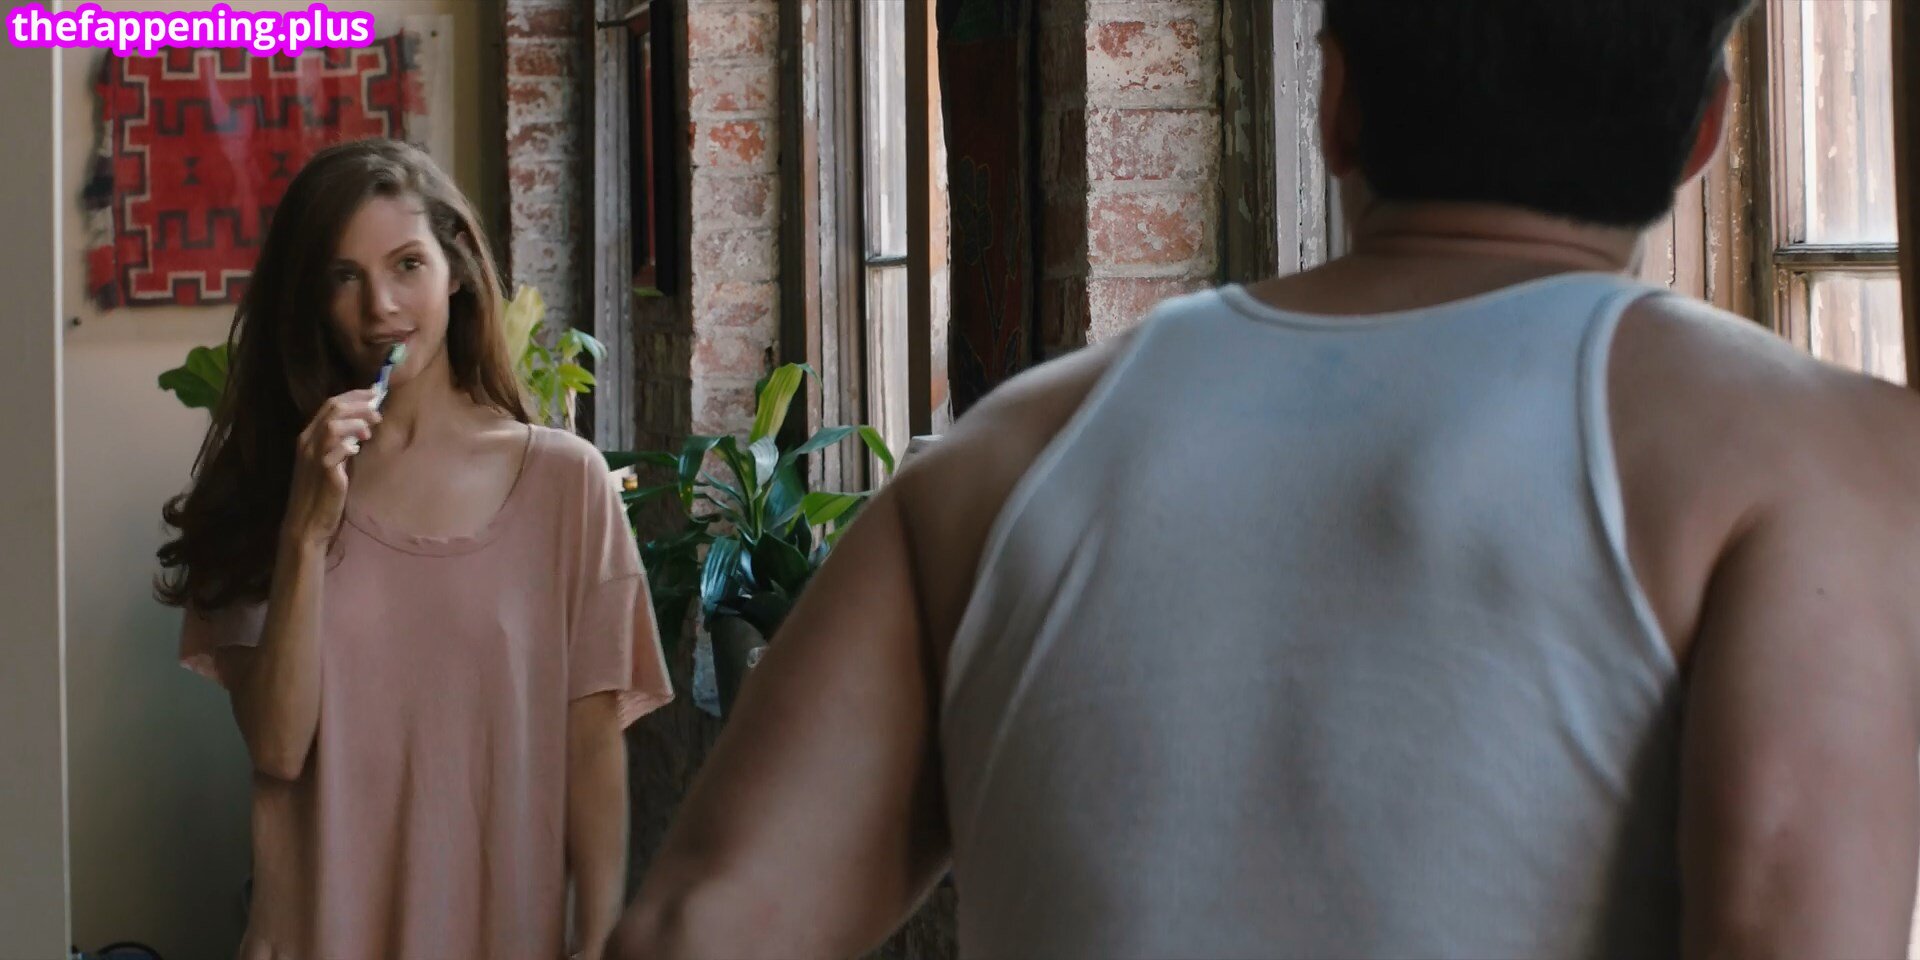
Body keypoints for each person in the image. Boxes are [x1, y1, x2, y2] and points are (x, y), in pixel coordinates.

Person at [611, 0, 1920, 956]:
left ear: (1334, 105)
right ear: (1705, 132)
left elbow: (698, 929)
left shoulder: (998, 466)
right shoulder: (1824, 461)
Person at [157, 138, 672, 960]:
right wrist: (305, 531)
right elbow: (278, 748)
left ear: (456, 267)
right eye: (344, 276)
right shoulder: (271, 486)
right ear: (310, 296)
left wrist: (598, 937)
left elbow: (590, 745)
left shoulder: (565, 484)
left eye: (407, 265)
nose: (381, 308)